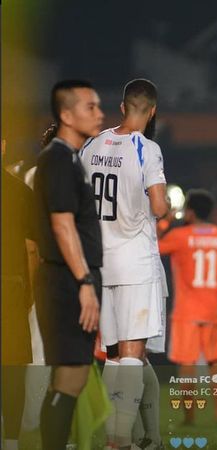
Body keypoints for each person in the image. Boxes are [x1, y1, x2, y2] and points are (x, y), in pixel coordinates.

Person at [79, 78, 170, 449]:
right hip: (134, 261)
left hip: (100, 264)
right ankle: (119, 441)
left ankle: (126, 438)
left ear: (121, 107)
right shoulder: (146, 148)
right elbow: (160, 207)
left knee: (114, 356)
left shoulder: (92, 144)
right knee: (134, 355)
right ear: (152, 112)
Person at [33, 79, 104, 450]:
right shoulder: (58, 159)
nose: (99, 113)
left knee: (71, 378)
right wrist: (85, 283)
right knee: (69, 377)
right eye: (90, 107)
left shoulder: (69, 157)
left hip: (69, 278)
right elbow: (62, 226)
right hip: (66, 281)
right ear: (65, 114)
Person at [157, 189, 217, 426]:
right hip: (212, 309)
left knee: (187, 365)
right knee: (214, 363)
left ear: (189, 211)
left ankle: (188, 417)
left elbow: (153, 246)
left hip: (186, 312)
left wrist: (166, 221)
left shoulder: (180, 236)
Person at [1, 139, 37, 450]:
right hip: (10, 286)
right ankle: (11, 440)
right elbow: (32, 246)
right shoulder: (18, 191)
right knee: (12, 366)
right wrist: (30, 292)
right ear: (2, 146)